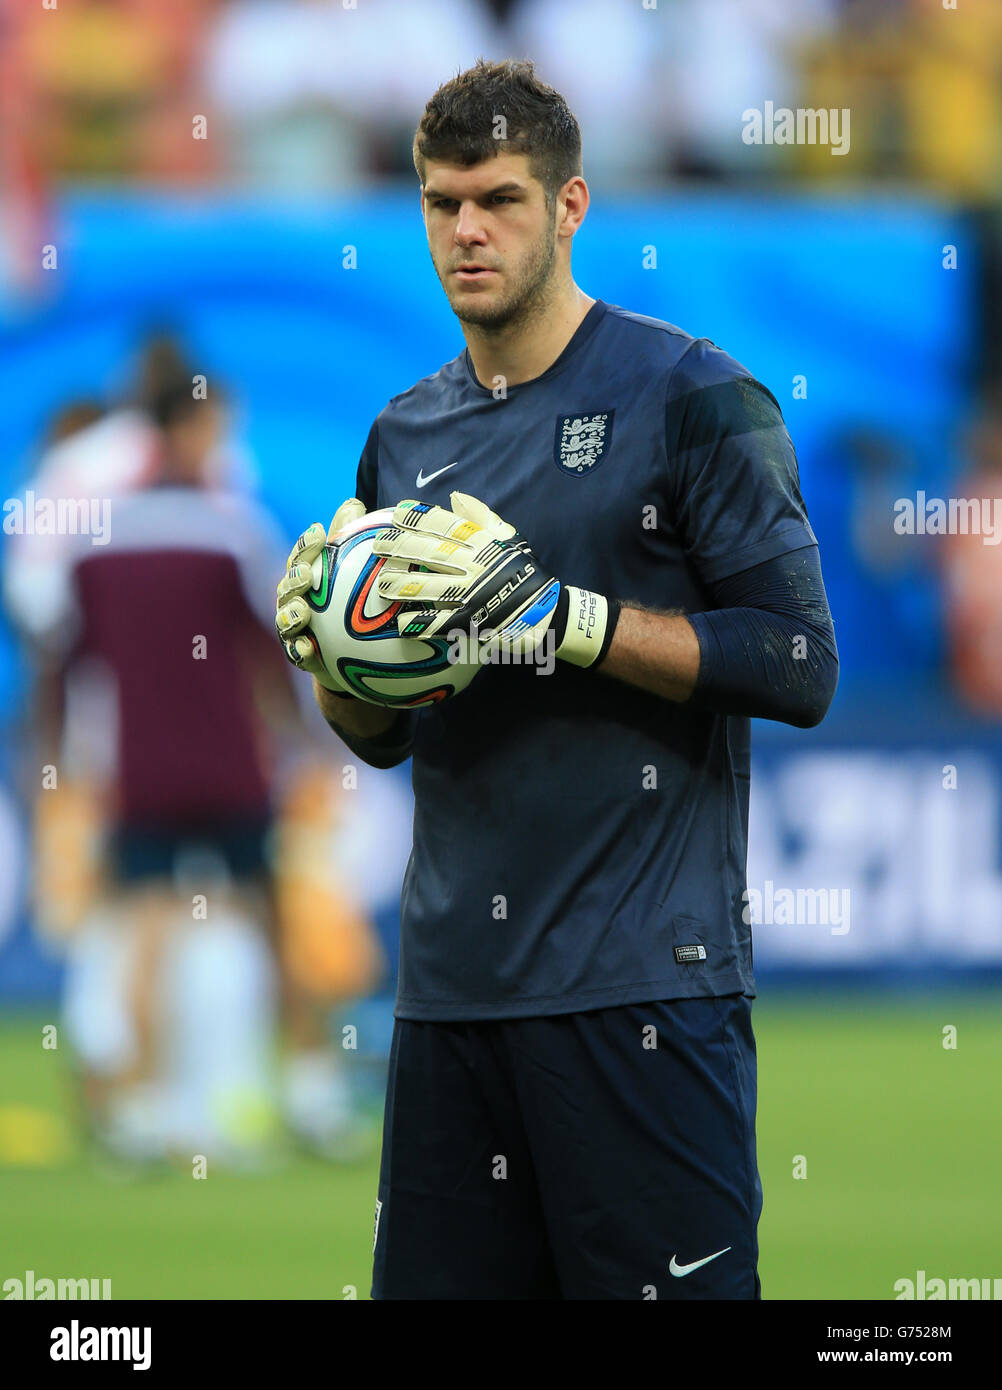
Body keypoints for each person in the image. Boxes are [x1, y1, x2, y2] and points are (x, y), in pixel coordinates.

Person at [276, 58, 838, 1300]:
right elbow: (380, 736)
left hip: (642, 994)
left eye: (500, 199)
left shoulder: (695, 396)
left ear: (572, 205)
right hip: (448, 1005)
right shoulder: (402, 437)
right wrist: (332, 658)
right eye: (440, 202)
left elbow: (798, 664)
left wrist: (564, 619)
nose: (466, 229)